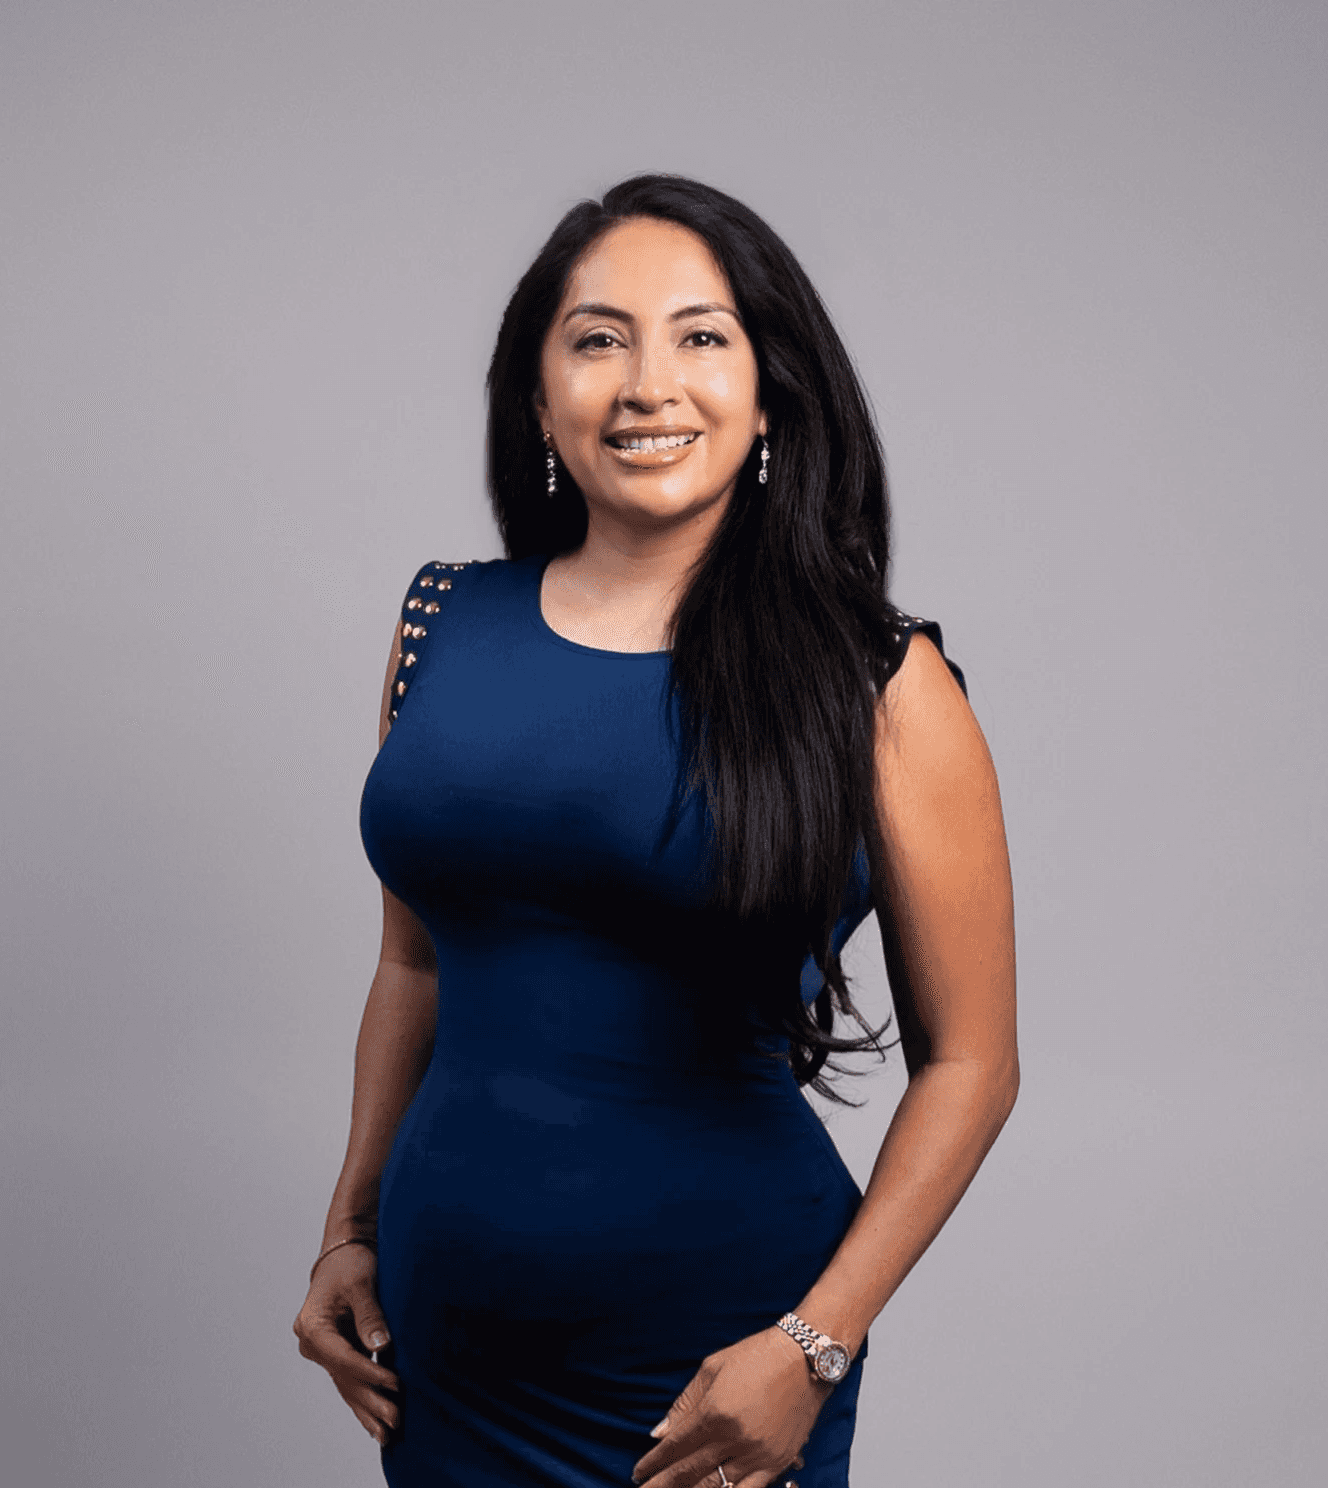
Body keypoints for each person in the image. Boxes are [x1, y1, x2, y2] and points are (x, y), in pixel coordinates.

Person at [293, 173, 1018, 1488]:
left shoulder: (878, 680)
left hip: (715, 1364)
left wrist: (816, 1341)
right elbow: (414, 964)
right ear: (538, 396)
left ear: (767, 394)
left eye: (699, 336)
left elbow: (971, 1065)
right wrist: (346, 1229)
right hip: (443, 1349)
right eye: (597, 338)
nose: (646, 384)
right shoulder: (440, 624)